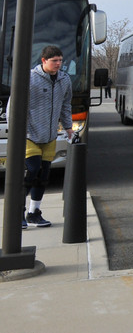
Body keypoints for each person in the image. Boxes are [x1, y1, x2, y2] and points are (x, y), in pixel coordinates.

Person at [22, 45, 73, 228]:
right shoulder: (29, 78)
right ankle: (18, 210)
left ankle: (34, 212)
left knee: (43, 174)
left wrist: (68, 127)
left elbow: (66, 104)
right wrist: (16, 129)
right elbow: (15, 104)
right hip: (29, 134)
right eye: (54, 61)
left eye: (60, 60)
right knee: (32, 170)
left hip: (50, 135)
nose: (58, 64)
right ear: (44, 61)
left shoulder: (64, 79)